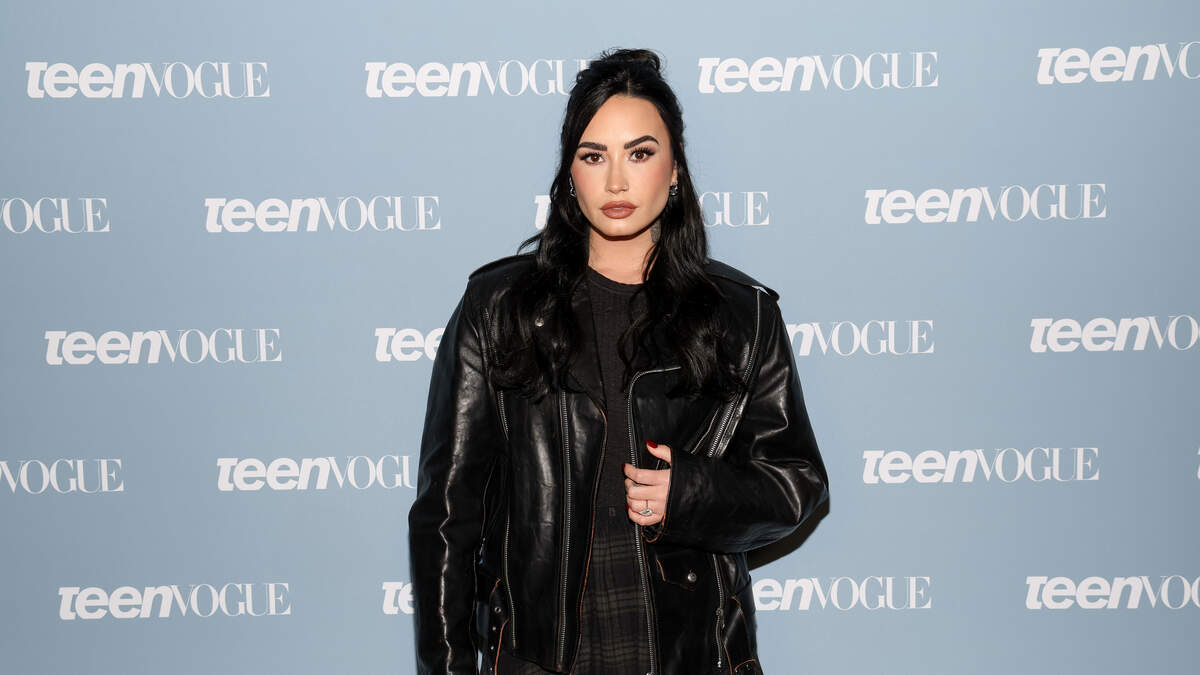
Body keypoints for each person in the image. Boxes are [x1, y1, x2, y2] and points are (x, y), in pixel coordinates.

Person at [409, 47, 829, 675]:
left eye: (639, 153)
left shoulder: (742, 316)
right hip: (537, 652)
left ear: (675, 169)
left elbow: (797, 481)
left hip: (687, 649)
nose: (615, 182)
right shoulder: (498, 308)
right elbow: (448, 514)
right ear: (568, 175)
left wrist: (690, 492)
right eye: (593, 156)